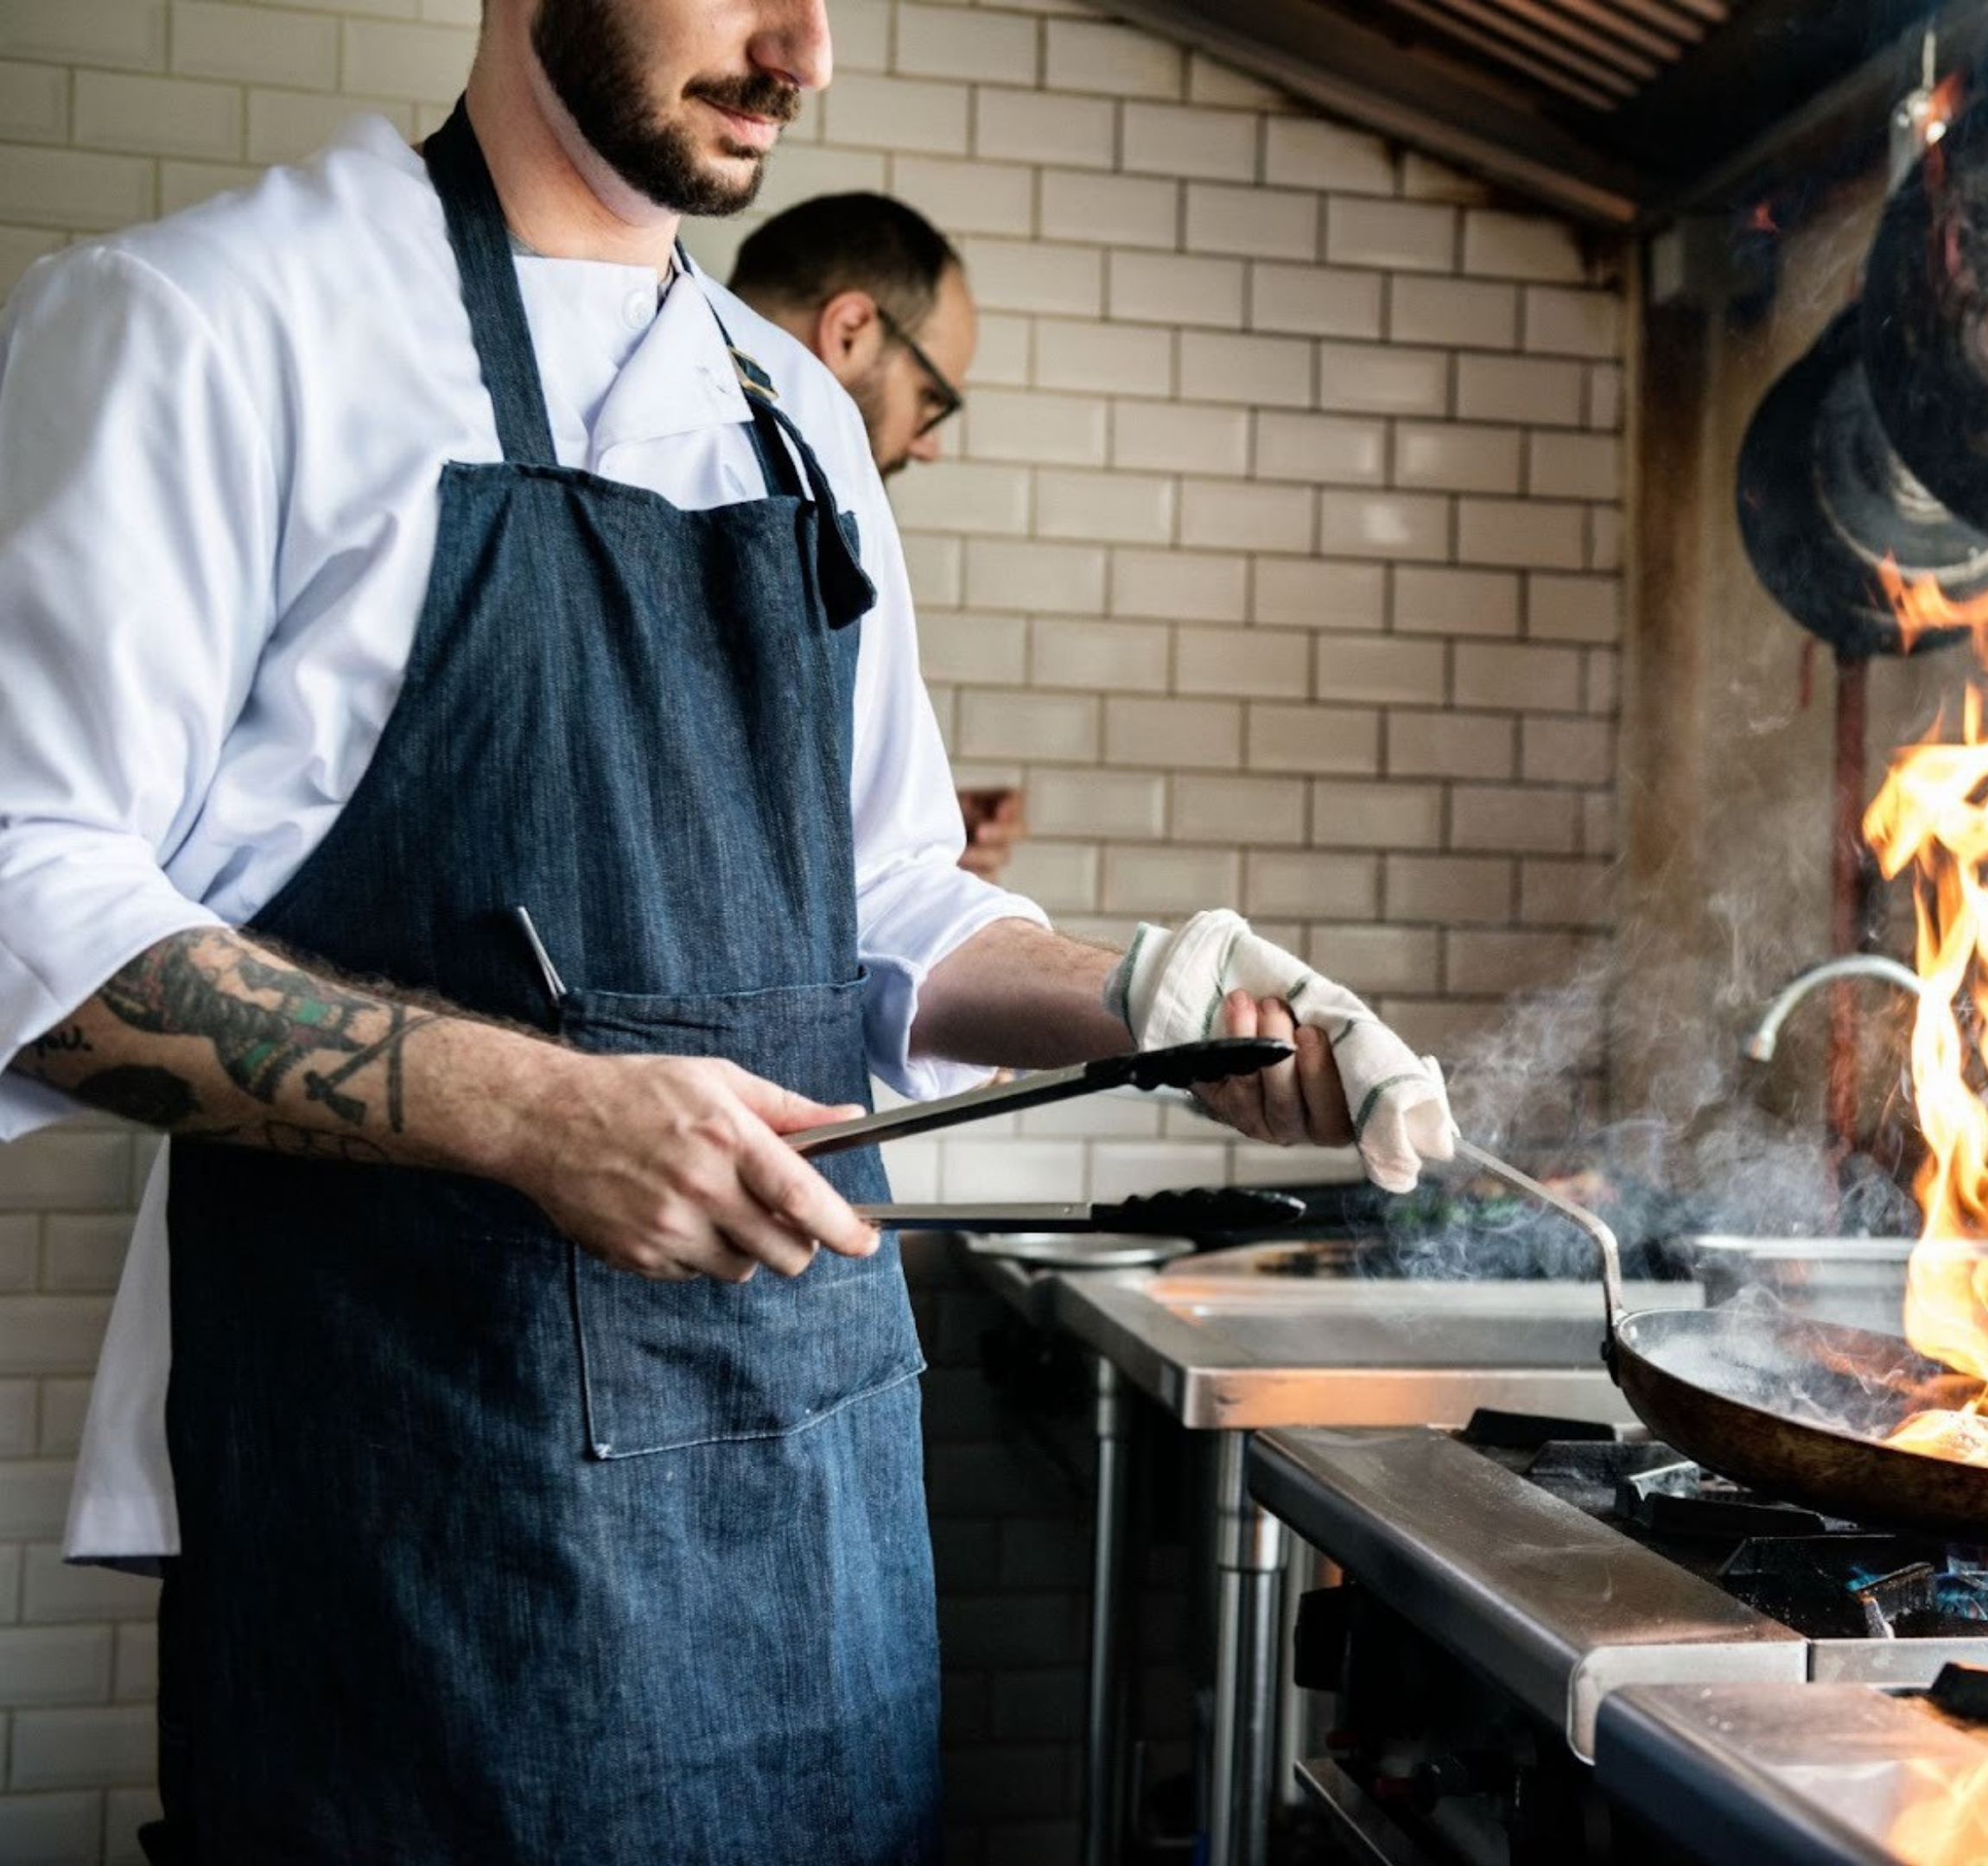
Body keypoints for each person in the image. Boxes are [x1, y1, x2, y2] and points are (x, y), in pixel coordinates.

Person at [0, 2, 1448, 1861]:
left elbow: (883, 898)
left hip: (809, 1515)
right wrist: (537, 1114)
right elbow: (27, 893)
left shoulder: (794, 419)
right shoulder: (217, 325)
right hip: (422, 1526)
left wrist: (1148, 998)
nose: (804, 50)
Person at [730, 192, 1024, 880]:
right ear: (851, 331)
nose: (928, 447)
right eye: (932, 400)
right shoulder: (739, 503)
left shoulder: (817, 515)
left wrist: (892, 832)